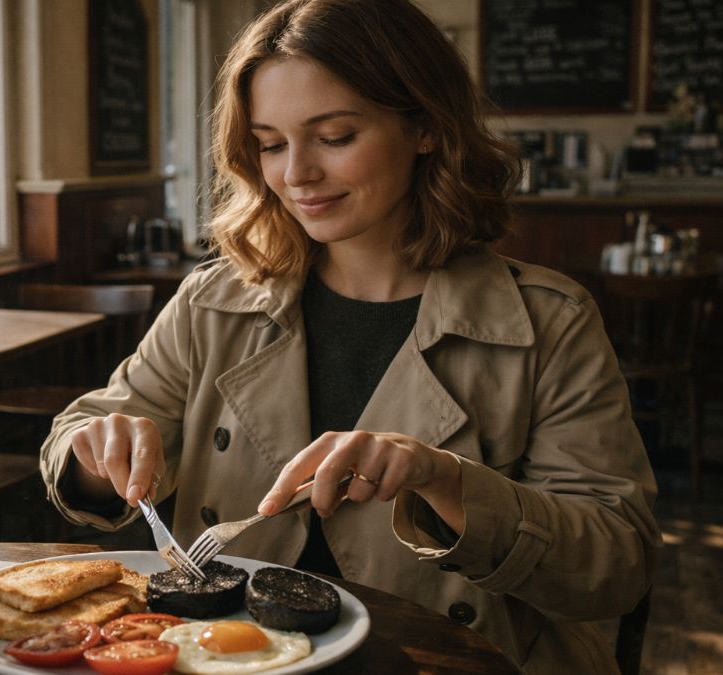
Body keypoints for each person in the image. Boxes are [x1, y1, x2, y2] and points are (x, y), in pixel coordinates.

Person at [40, 1, 661, 672]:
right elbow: (87, 428)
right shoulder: (213, 300)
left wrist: (445, 480)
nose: (295, 174)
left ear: (424, 127)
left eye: (334, 136)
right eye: (270, 144)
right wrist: (94, 447)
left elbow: (617, 561)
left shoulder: (549, 321)